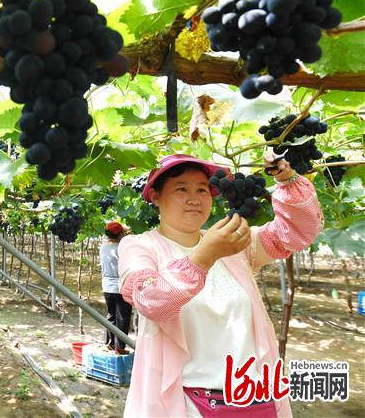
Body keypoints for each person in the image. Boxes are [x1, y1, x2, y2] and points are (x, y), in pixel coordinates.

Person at [119, 153, 323, 417]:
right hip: (191, 406)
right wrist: (204, 257)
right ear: (155, 196)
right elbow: (151, 300)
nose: (194, 198)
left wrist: (286, 179)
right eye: (181, 189)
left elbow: (295, 233)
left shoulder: (234, 244)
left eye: (202, 190)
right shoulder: (140, 246)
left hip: (256, 399)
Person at [100, 221, 133, 354]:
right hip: (120, 286)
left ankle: (109, 343)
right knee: (123, 317)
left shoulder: (103, 247)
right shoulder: (122, 249)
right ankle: (119, 348)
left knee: (111, 314)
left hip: (107, 286)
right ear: (119, 234)